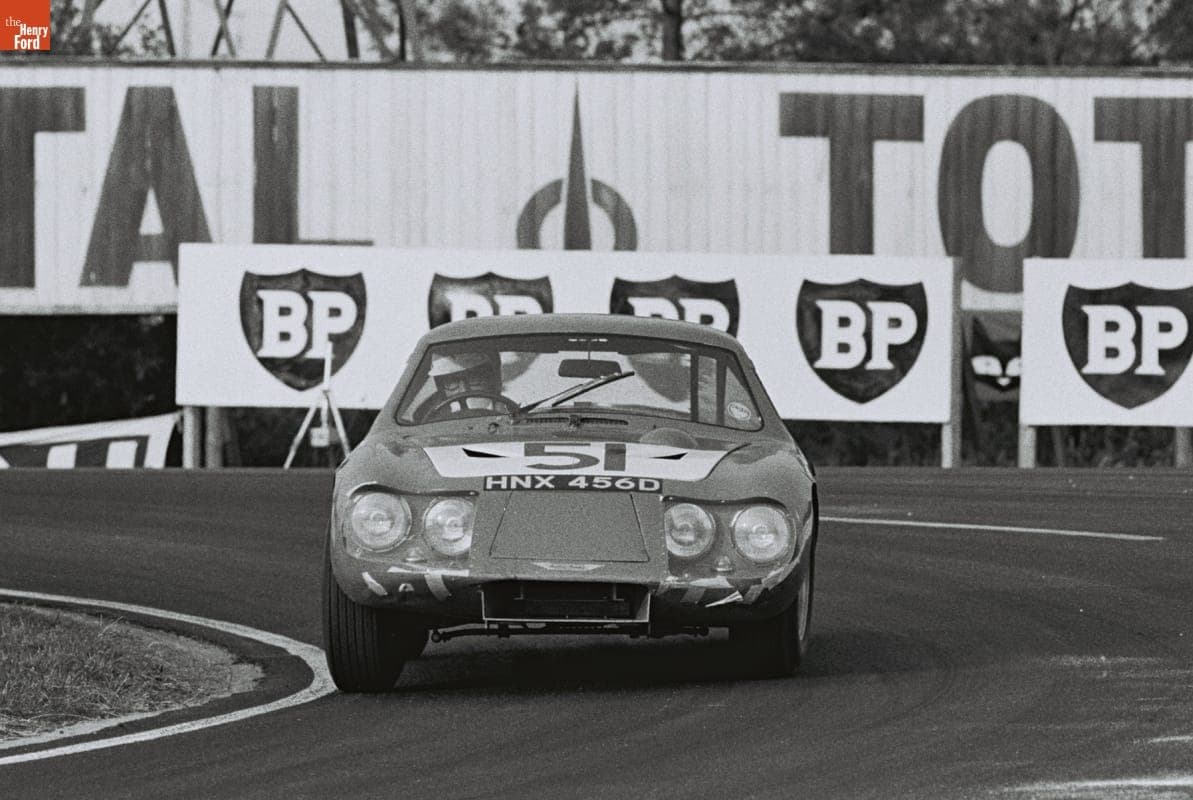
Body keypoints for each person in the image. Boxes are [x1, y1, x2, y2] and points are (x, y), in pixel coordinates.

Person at [422, 351, 505, 418]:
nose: (463, 389)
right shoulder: (434, 422)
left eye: (473, 378)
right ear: (442, 388)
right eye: (451, 382)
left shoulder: (511, 415)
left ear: (490, 380)